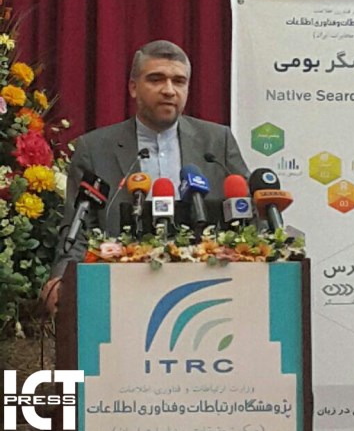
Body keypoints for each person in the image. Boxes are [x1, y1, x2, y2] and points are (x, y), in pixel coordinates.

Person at [42, 39, 249, 313]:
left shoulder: (217, 142)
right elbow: (77, 227)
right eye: (156, 79)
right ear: (133, 87)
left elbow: (248, 216)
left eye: (179, 81)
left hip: (208, 291)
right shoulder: (95, 148)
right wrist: (62, 278)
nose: (169, 90)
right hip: (120, 295)